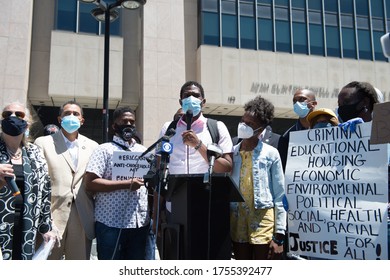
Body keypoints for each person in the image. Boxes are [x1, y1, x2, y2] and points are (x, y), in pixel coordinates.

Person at [34, 101, 99, 260]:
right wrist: (44, 220)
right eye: (67, 113)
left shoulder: (93, 146)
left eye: (76, 114)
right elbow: (38, 183)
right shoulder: (43, 143)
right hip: (51, 217)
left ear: (82, 120)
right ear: (59, 118)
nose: (71, 116)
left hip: (81, 217)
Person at [84, 106, 150, 260]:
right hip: (110, 223)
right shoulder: (103, 150)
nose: (128, 125)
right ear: (114, 126)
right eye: (124, 121)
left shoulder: (143, 151)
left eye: (131, 122)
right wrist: (127, 184)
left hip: (139, 223)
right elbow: (91, 183)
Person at [230, 96, 286, 260]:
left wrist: (280, 232)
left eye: (250, 124)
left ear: (261, 129)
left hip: (263, 220)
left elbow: (280, 194)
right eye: (243, 121)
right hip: (237, 220)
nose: (244, 126)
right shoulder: (231, 152)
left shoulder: (270, 153)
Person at [0, 102, 57, 260]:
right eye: (7, 114)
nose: (12, 117)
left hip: (26, 226)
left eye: (19, 115)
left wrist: (46, 227)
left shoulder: (34, 153)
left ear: (27, 123)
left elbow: (45, 191)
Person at [277, 89, 317, 171]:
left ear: (313, 104)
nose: (297, 103)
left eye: (301, 99)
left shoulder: (328, 130)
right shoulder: (287, 136)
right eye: (294, 101)